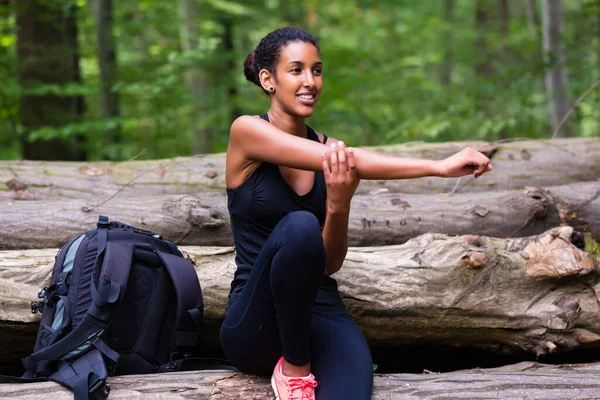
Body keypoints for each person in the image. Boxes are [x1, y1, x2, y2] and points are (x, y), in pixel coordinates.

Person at [219, 26, 492, 400]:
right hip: (256, 324)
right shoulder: (248, 131)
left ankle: (302, 361)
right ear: (268, 79)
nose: (310, 81)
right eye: (296, 70)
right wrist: (438, 166)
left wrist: (338, 204)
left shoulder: (330, 152)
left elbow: (327, 264)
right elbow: (352, 160)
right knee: (299, 226)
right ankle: (294, 373)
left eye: (317, 70)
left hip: (319, 309)